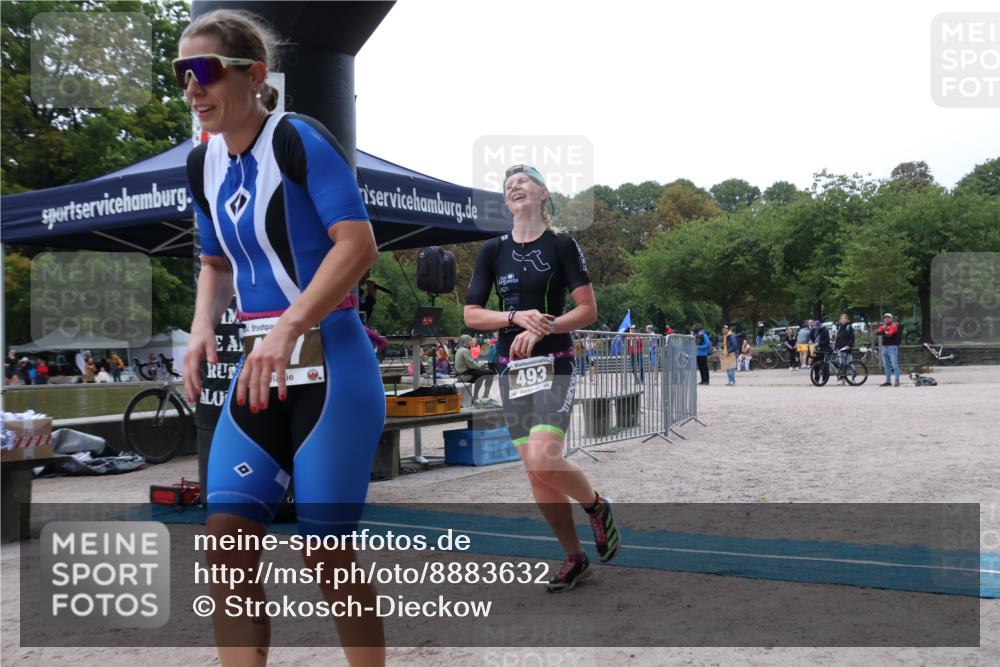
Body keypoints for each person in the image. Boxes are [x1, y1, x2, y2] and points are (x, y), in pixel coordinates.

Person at [177, 9, 386, 665]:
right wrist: (200, 324)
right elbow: (215, 263)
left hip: (334, 364)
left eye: (204, 71)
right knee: (226, 541)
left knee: (326, 549)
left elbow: (357, 246)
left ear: (255, 74)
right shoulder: (201, 164)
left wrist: (292, 323)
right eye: (182, 75)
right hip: (258, 370)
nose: (192, 89)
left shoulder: (298, 139)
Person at [464, 163, 619, 593]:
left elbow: (588, 310)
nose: (514, 186)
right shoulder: (492, 251)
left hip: (556, 364)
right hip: (511, 371)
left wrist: (543, 327)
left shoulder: (563, 245)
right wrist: (514, 317)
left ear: (544, 193)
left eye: (523, 182)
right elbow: (472, 313)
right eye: (508, 185)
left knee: (545, 458)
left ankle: (596, 506)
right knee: (536, 472)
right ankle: (574, 557)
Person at [455, 334, 497, 406]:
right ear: (467, 341)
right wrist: (480, 365)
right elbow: (471, 364)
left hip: (462, 375)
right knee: (491, 372)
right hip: (466, 376)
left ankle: (476, 396)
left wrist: (479, 367)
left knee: (480, 376)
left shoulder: (459, 350)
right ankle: (485, 396)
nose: (471, 342)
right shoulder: (465, 351)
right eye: (470, 341)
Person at [875, 312, 901, 387]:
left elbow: (889, 334)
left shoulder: (894, 325)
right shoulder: (884, 326)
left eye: (888, 317)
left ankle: (897, 381)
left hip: (892, 347)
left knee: (895, 365)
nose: (886, 319)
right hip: (884, 347)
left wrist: (883, 332)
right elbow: (877, 332)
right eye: (885, 318)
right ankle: (888, 381)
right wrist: (884, 331)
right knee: (886, 366)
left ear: (891, 319)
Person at [834, 314, 856, 382]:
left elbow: (852, 338)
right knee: (841, 364)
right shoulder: (840, 327)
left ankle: (853, 376)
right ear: (840, 320)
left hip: (847, 348)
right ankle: (843, 379)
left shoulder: (849, 327)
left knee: (849, 363)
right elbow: (837, 339)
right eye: (842, 319)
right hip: (840, 348)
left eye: (844, 319)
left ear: (847, 319)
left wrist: (848, 345)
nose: (843, 320)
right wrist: (835, 347)